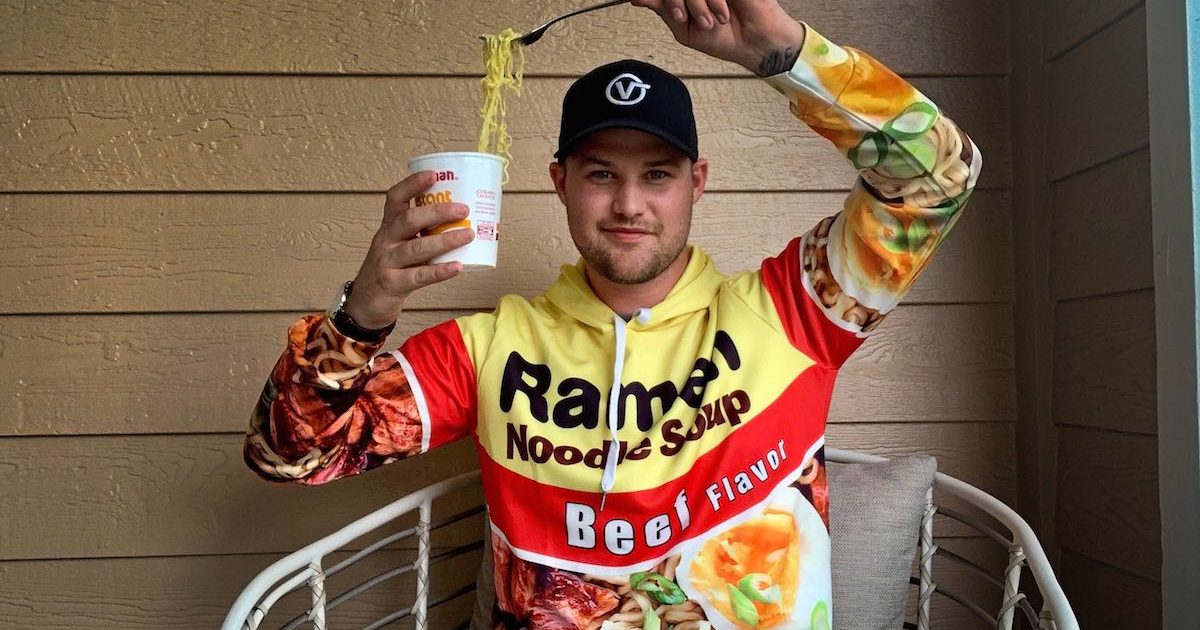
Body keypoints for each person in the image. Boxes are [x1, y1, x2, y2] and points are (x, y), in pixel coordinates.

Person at [244, 0, 981, 627]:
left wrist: (784, 54)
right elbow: (291, 455)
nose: (629, 205)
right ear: (561, 183)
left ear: (698, 183)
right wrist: (364, 309)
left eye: (656, 175)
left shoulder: (793, 311)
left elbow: (939, 176)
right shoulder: (490, 347)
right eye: (602, 174)